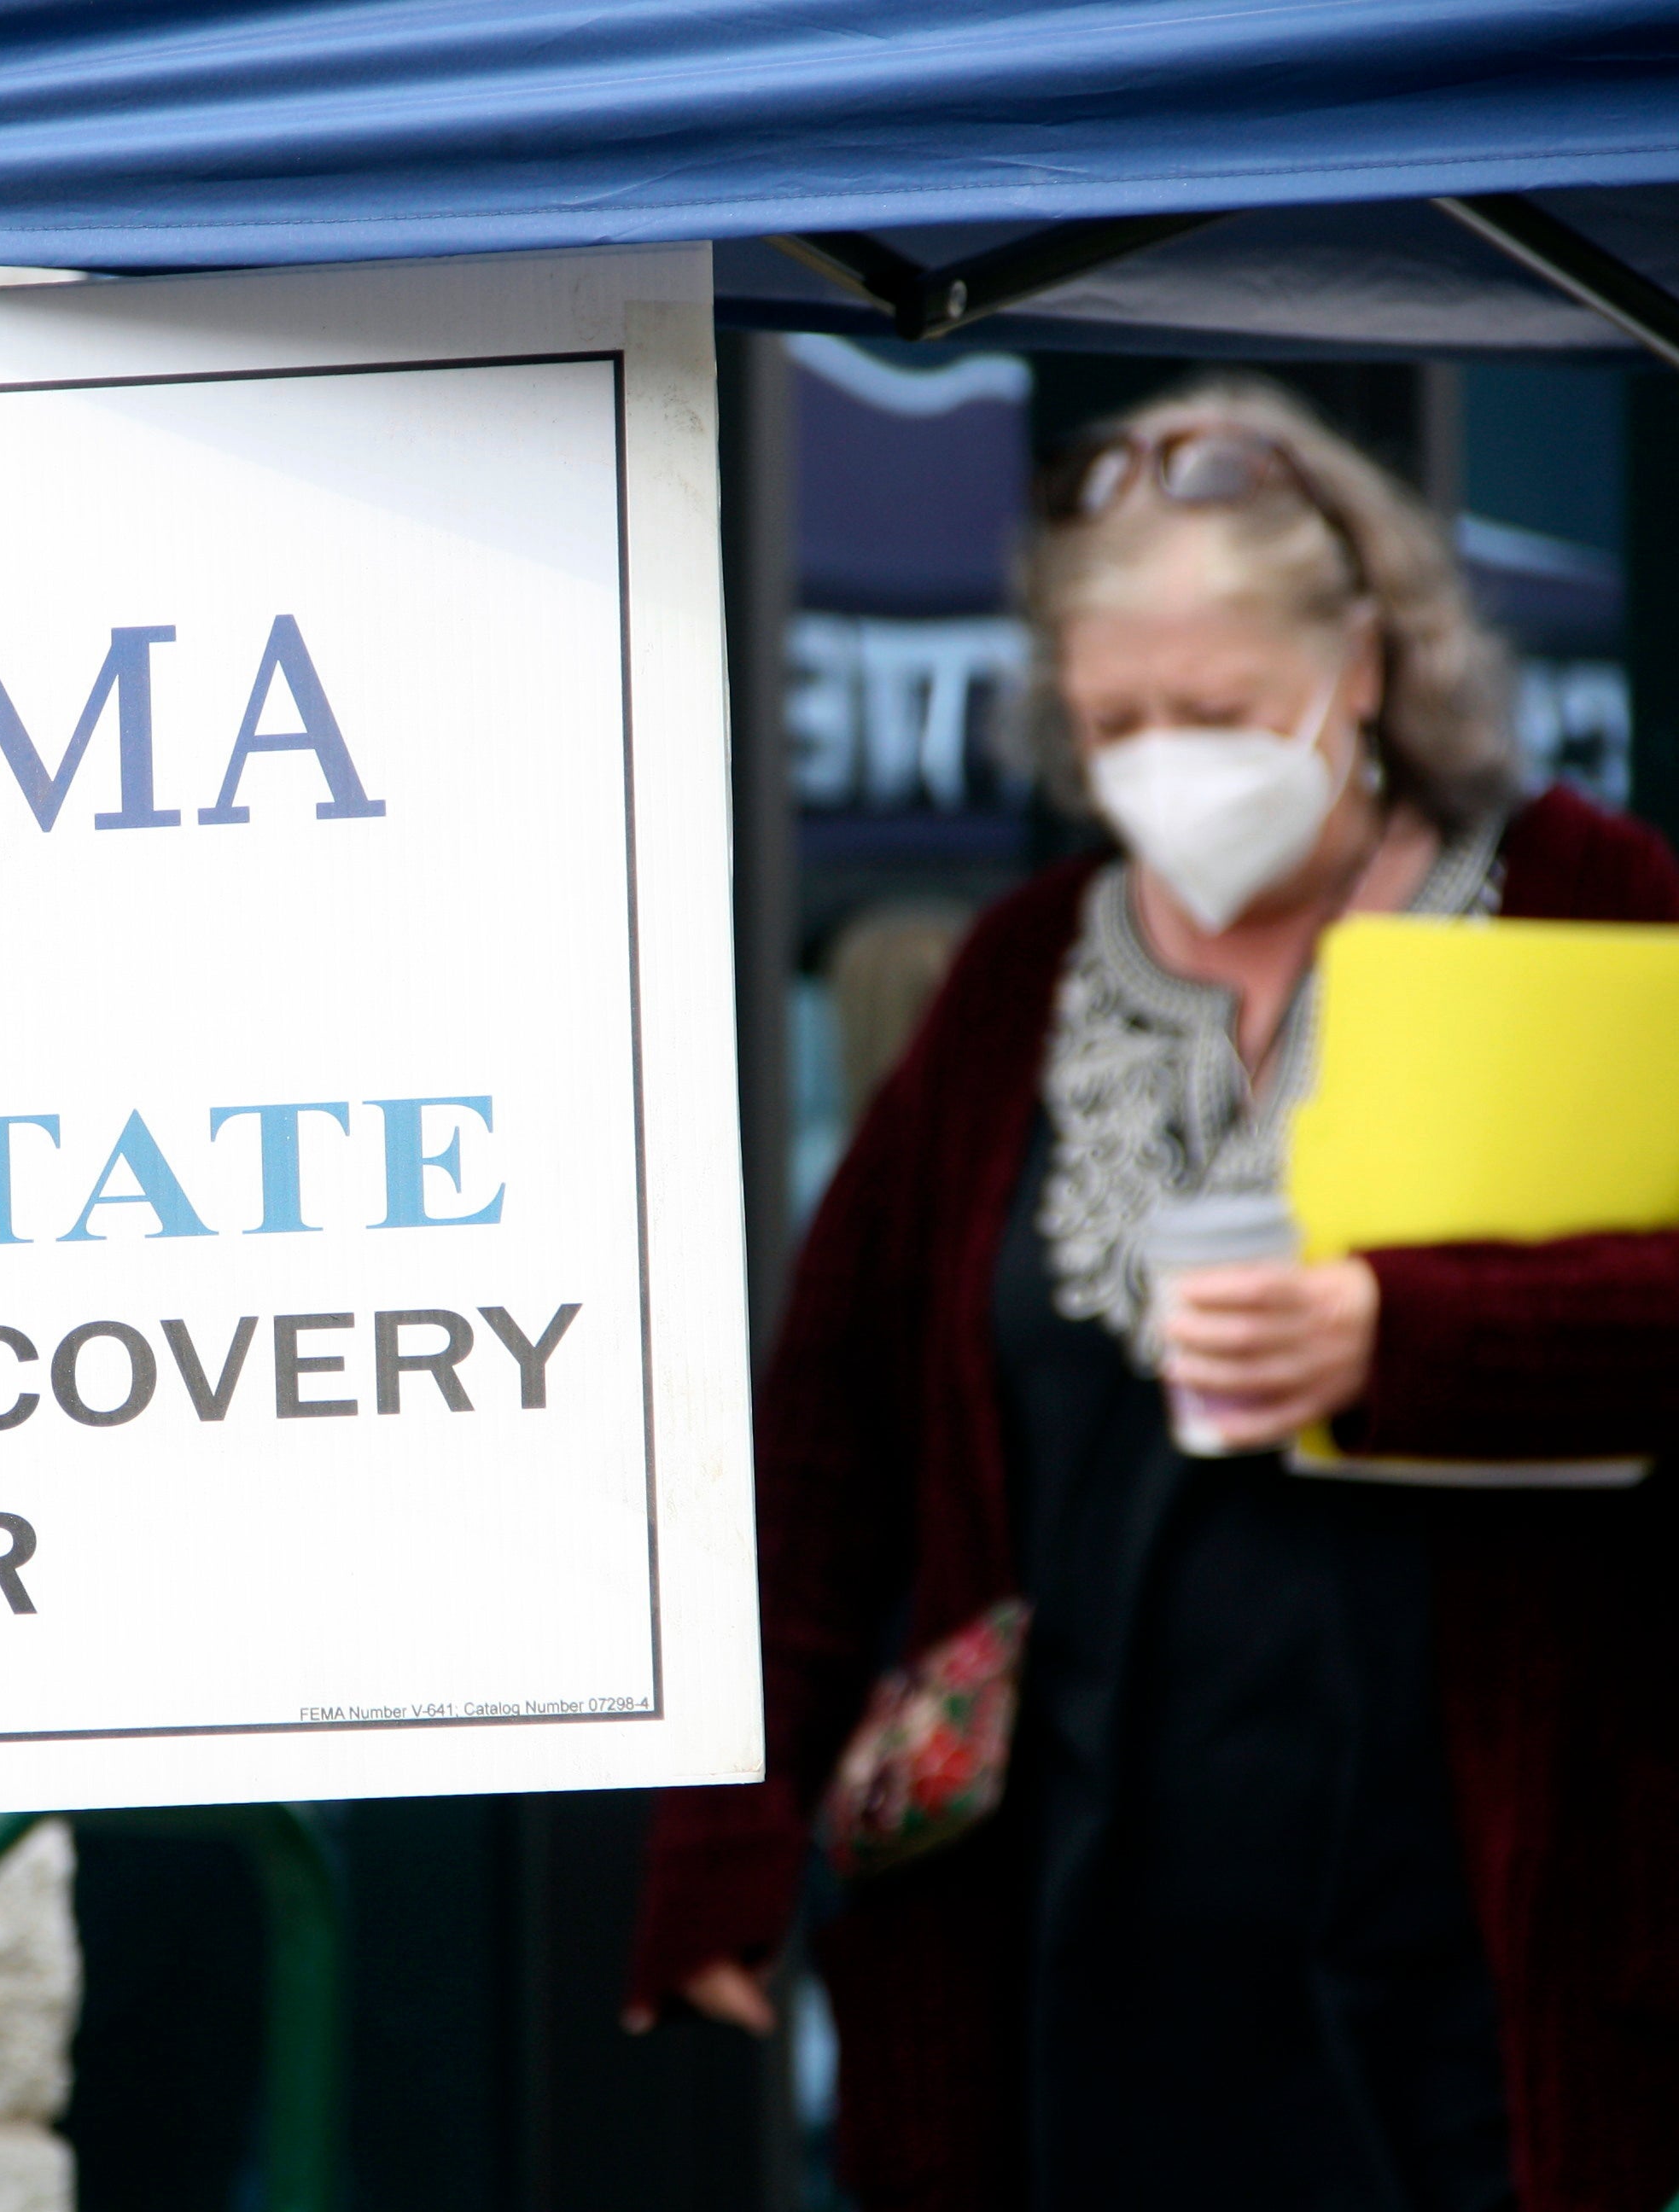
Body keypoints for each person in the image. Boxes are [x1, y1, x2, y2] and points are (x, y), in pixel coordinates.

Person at [627, 380, 1679, 2212]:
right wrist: (734, 1821)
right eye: (1117, 721)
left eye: (1218, 714)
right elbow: (827, 1435)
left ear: (1361, 667)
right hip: (1070, 1921)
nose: (1165, 762)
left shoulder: (1592, 900)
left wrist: (1410, 1338)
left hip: (1485, 1920)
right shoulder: (1018, 972)